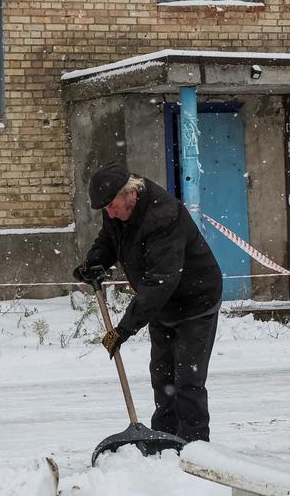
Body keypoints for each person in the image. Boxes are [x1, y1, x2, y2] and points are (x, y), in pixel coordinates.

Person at [74, 161, 223, 443]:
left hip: (196, 302)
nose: (109, 213)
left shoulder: (162, 216)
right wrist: (95, 263)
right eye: (105, 209)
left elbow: (160, 282)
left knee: (187, 381)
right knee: (162, 377)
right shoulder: (116, 209)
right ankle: (165, 441)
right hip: (162, 305)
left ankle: (195, 449)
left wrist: (124, 329)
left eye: (112, 206)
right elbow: (110, 239)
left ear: (130, 193)